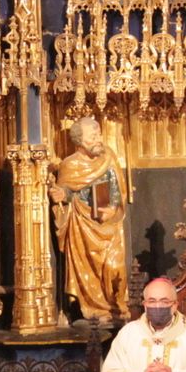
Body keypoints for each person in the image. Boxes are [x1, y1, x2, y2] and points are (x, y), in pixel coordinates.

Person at [50, 117, 128, 320]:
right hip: (83, 225)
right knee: (88, 269)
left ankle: (117, 306)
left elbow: (117, 187)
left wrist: (113, 208)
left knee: (114, 267)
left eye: (99, 134)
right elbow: (67, 191)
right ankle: (95, 309)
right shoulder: (70, 164)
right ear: (79, 141)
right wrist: (62, 195)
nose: (98, 139)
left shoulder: (108, 156)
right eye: (93, 137)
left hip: (109, 224)